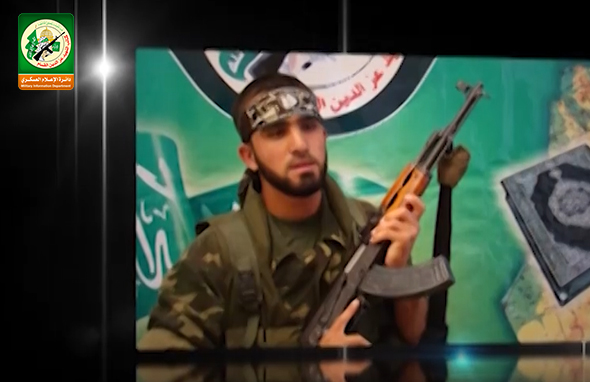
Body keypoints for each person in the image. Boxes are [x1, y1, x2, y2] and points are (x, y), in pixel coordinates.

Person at [137, 73, 428, 350]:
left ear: (323, 135)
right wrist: (310, 372)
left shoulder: (370, 224)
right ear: (249, 156)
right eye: (277, 132)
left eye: (308, 126)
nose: (300, 145)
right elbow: (167, 370)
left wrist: (399, 267)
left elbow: (413, 336)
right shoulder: (216, 252)